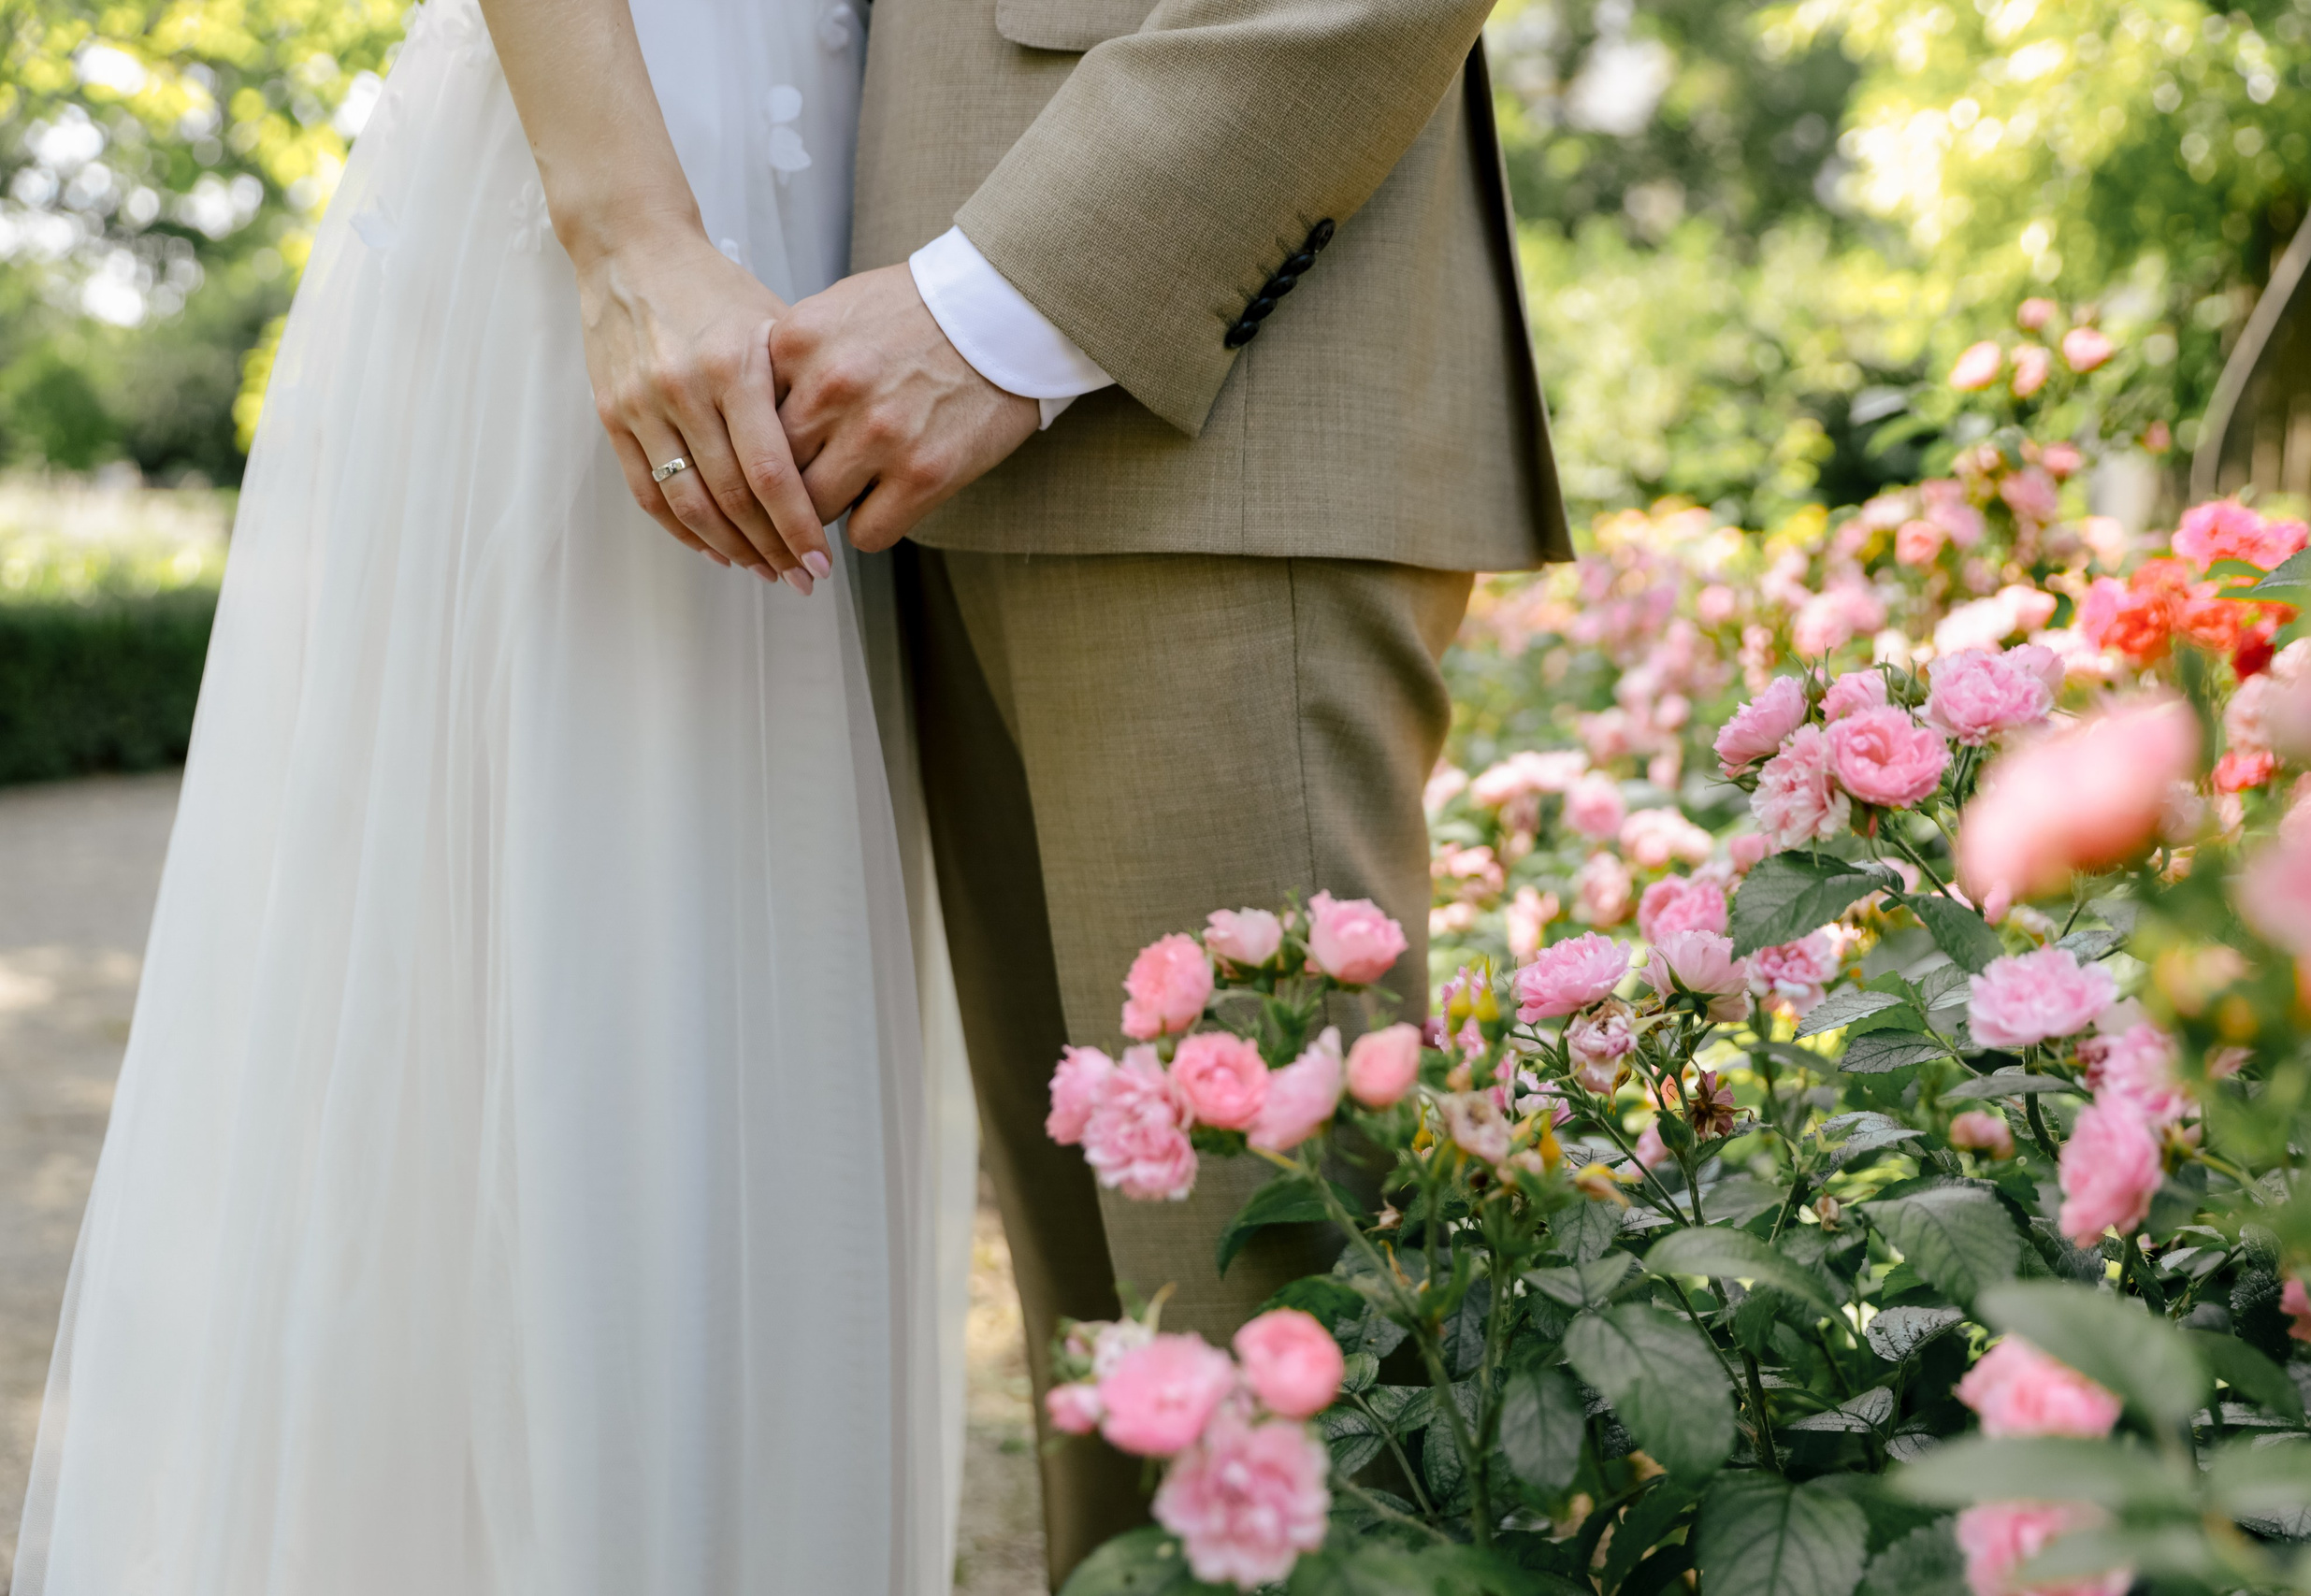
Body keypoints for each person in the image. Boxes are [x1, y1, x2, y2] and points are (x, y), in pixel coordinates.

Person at [10, 0, 982, 1590]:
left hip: (865, 206)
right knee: (536, 979)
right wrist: (628, 236)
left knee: (761, 1014)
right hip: (630, 159)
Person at [728, 0, 1575, 1579]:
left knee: (1288, 1426)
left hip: (1193, 390)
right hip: (894, 391)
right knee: (1131, 1431)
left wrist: (1017, 298)